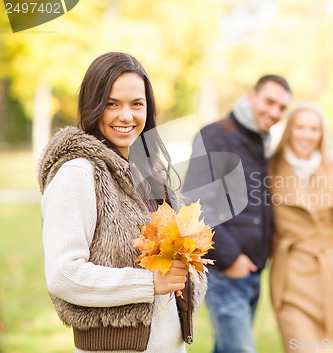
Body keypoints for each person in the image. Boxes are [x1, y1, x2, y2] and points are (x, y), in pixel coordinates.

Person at [38, 52, 206, 353]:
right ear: (92, 106)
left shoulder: (149, 175)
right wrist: (148, 283)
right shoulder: (78, 173)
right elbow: (64, 275)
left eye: (136, 104)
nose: (126, 116)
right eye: (112, 104)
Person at [182, 75, 292, 353]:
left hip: (253, 271)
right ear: (251, 96)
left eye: (282, 108)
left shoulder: (261, 141)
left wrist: (271, 236)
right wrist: (231, 258)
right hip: (225, 271)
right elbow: (196, 205)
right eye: (269, 102)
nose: (275, 113)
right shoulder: (216, 135)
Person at [269, 103, 333, 353]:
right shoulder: (270, 168)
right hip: (292, 273)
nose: (307, 135)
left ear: (322, 134)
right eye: (300, 127)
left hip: (330, 271)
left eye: (314, 129)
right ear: (289, 130)